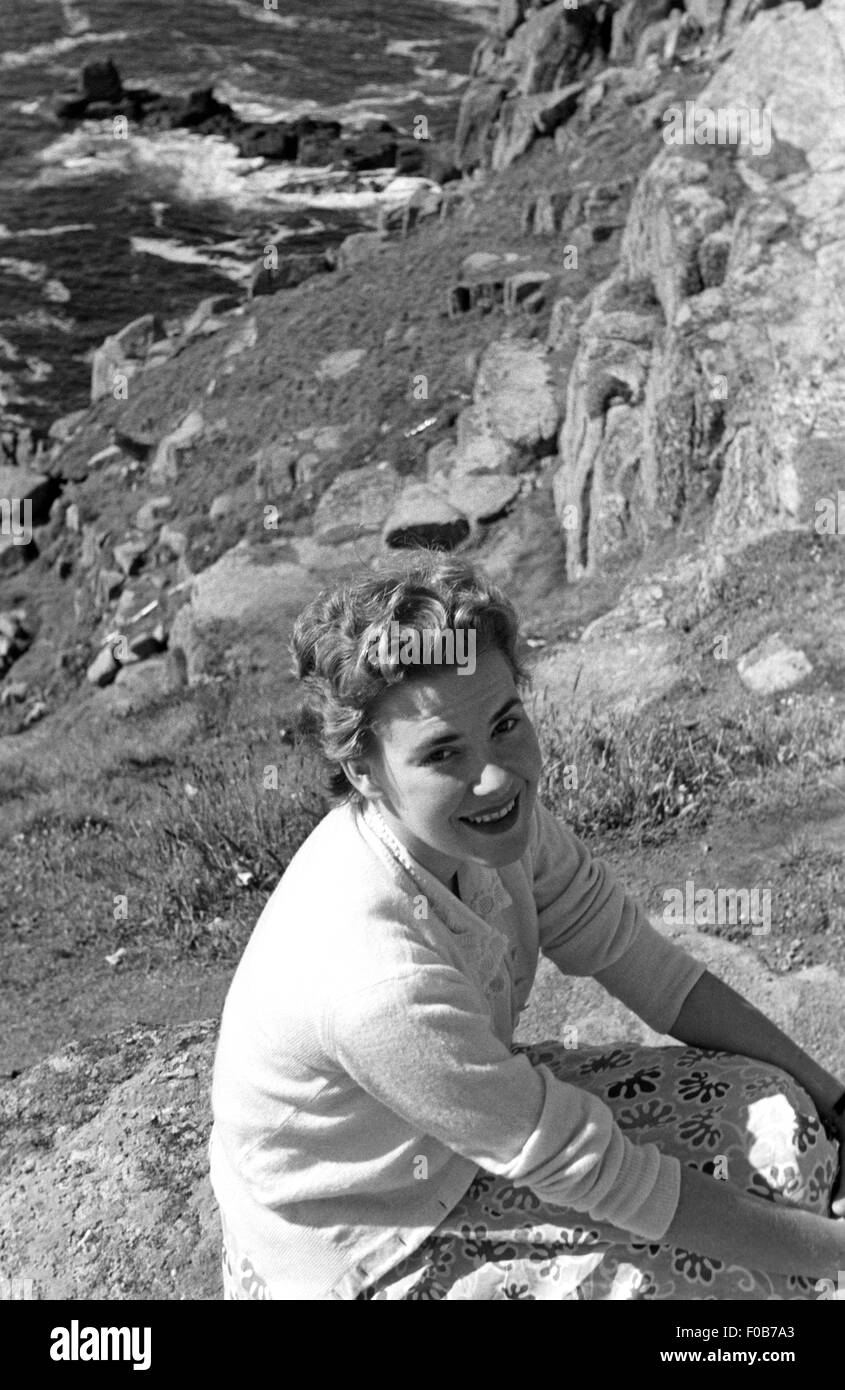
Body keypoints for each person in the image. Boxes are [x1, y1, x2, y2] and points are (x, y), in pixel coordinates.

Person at [209, 550, 845, 1300]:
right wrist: (831, 1255)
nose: (498, 775)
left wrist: (836, 1103)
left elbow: (645, 965)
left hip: (470, 1143)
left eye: (505, 723)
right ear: (362, 770)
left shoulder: (492, 828)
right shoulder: (376, 983)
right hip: (367, 1238)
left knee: (782, 1122)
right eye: (442, 753)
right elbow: (605, 1177)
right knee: (731, 1287)